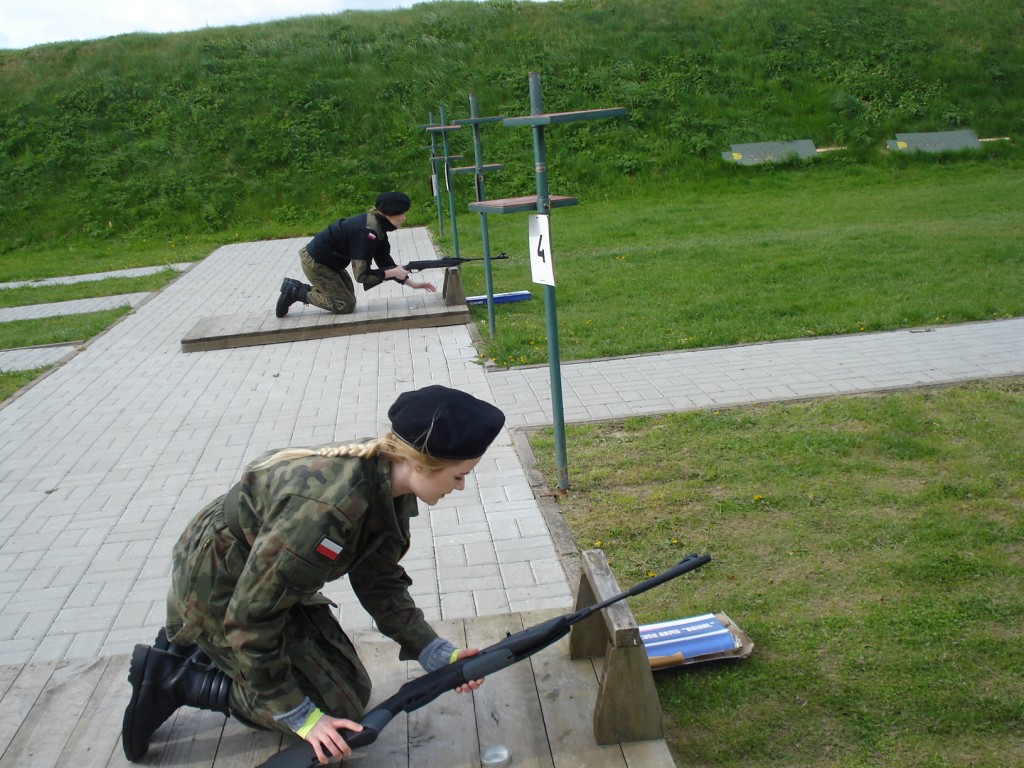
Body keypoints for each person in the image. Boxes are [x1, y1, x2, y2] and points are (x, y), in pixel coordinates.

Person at [122, 385, 506, 765]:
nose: (461, 487)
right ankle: (177, 676)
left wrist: (432, 650)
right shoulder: (328, 510)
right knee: (332, 712)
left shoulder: (389, 481)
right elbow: (252, 616)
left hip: (268, 578)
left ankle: (201, 649)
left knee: (352, 689)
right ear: (420, 463)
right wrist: (297, 714)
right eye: (458, 475)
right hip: (219, 584)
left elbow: (379, 581)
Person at [276, 191, 437, 318]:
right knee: (345, 305)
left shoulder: (378, 227)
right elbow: (362, 275)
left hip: (330, 263)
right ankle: (295, 292)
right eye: (402, 214)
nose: (404, 218)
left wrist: (413, 284)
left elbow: (386, 263)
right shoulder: (367, 233)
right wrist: (394, 272)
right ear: (389, 214)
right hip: (316, 263)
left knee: (347, 297)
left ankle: (299, 289)